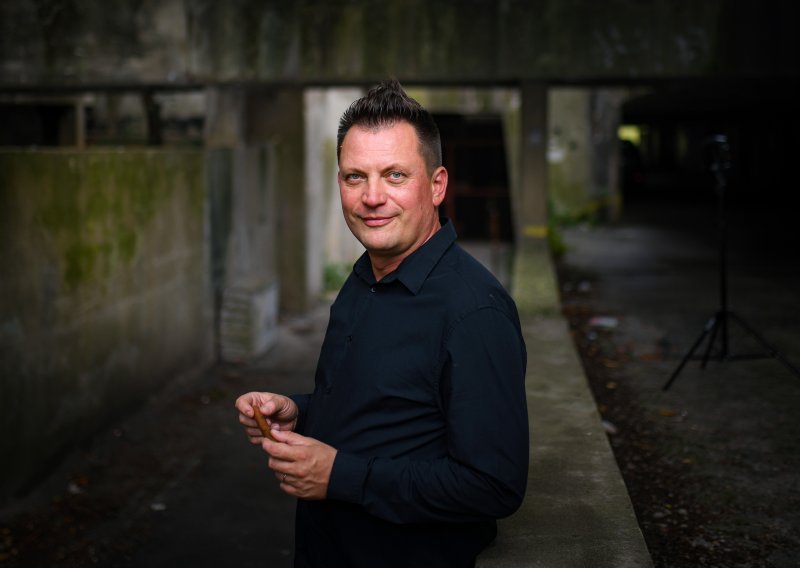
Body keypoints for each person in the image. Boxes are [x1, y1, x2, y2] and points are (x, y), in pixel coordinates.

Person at [235, 79, 528, 568]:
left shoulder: (475, 312)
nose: (372, 197)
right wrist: (300, 411)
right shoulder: (363, 278)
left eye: (395, 175)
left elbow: (493, 485)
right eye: (356, 177)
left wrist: (341, 476)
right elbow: (387, 406)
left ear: (436, 185)